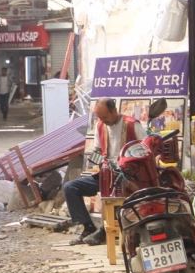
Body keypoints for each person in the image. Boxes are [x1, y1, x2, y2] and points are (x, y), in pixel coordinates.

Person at [62, 98, 146, 245]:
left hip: (130, 176)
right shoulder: (100, 126)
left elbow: (146, 151)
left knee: (115, 189)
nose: (103, 120)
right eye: (100, 117)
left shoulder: (132, 125)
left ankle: (104, 230)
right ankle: (88, 227)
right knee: (70, 187)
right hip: (107, 175)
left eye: (105, 117)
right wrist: (98, 161)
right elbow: (96, 152)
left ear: (114, 111)